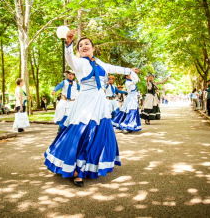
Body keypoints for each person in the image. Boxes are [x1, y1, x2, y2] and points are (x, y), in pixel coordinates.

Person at [44, 30, 140, 187]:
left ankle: (88, 165)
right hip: (85, 103)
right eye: (80, 45)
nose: (83, 46)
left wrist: (129, 70)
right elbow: (70, 59)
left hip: (100, 103)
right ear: (78, 51)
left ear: (93, 48)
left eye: (86, 44)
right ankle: (76, 171)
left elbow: (114, 67)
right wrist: (68, 44)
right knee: (83, 133)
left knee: (98, 135)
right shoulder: (80, 63)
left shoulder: (100, 63)